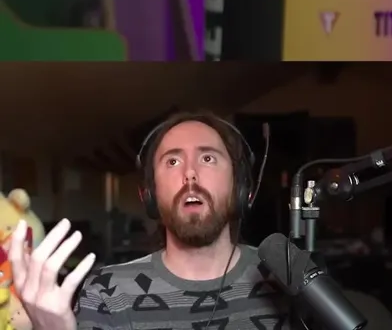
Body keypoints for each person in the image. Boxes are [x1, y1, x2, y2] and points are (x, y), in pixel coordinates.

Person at [6, 111, 293, 330]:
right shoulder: (107, 291)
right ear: (150, 195)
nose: (190, 174)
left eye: (208, 158)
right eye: (172, 161)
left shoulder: (288, 277)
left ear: (240, 188)